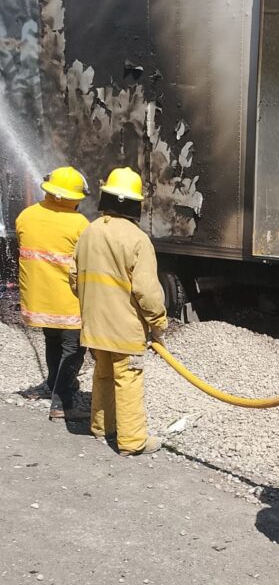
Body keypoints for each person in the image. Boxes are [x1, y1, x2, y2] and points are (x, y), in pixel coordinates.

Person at [69, 166, 167, 457]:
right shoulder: (137, 240)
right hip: (125, 328)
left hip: (94, 326)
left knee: (102, 373)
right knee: (128, 378)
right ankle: (133, 441)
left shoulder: (89, 232)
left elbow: (74, 278)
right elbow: (147, 292)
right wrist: (158, 324)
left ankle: (101, 426)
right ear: (136, 204)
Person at [15, 166, 90, 421]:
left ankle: (52, 383)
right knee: (74, 349)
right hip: (68, 302)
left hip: (37, 301)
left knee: (52, 342)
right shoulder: (79, 224)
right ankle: (63, 403)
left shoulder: (25, 216)